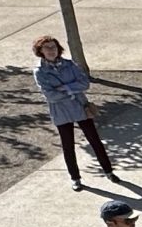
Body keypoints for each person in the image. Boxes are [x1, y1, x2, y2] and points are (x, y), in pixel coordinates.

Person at [31, 35, 115, 189]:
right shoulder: (40, 72)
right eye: (47, 48)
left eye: (54, 47)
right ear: (40, 51)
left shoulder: (69, 65)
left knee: (95, 140)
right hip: (61, 112)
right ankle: (75, 178)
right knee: (68, 145)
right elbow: (50, 95)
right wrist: (71, 90)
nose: (51, 51)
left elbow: (84, 84)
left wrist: (65, 89)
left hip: (80, 107)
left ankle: (109, 171)